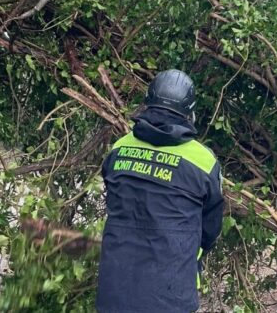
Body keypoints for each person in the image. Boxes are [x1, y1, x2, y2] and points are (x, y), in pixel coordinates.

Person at [95, 69, 224, 313]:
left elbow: (114, 199)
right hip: (170, 296)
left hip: (115, 292)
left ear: (147, 103)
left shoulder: (119, 148)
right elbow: (210, 230)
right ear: (190, 112)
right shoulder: (204, 162)